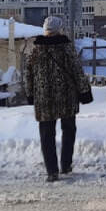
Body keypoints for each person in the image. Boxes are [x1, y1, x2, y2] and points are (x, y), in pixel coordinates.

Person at [23, 16, 92, 182]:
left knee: (47, 134)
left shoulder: (34, 50)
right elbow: (77, 71)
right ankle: (66, 164)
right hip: (66, 96)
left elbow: (28, 75)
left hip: (43, 98)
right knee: (68, 130)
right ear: (60, 30)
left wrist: (30, 94)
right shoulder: (66, 48)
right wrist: (85, 92)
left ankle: (52, 171)